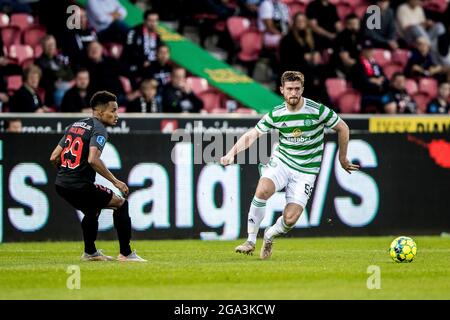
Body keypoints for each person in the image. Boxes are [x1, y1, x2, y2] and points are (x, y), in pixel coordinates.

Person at [221, 71, 359, 259]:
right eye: (289, 89)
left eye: (296, 89)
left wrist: (342, 159)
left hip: (306, 170)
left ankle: (269, 236)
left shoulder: (317, 110)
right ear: (282, 90)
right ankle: (250, 240)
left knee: (290, 219)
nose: (293, 93)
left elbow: (343, 127)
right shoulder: (277, 113)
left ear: (302, 89)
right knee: (262, 190)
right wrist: (231, 154)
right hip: (283, 161)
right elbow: (253, 134)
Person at [49, 91, 146, 262]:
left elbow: (54, 157)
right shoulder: (99, 128)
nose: (117, 115)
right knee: (121, 204)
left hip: (61, 184)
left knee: (92, 210)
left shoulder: (75, 125)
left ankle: (90, 253)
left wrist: (67, 175)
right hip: (80, 185)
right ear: (100, 112)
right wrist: (116, 182)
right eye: (113, 111)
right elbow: (93, 159)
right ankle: (126, 253)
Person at [122, 9, 163, 84]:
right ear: (145, 21)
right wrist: (143, 60)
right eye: (150, 20)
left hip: (152, 66)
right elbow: (128, 51)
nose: (153, 23)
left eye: (155, 20)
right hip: (136, 65)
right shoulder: (134, 32)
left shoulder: (158, 36)